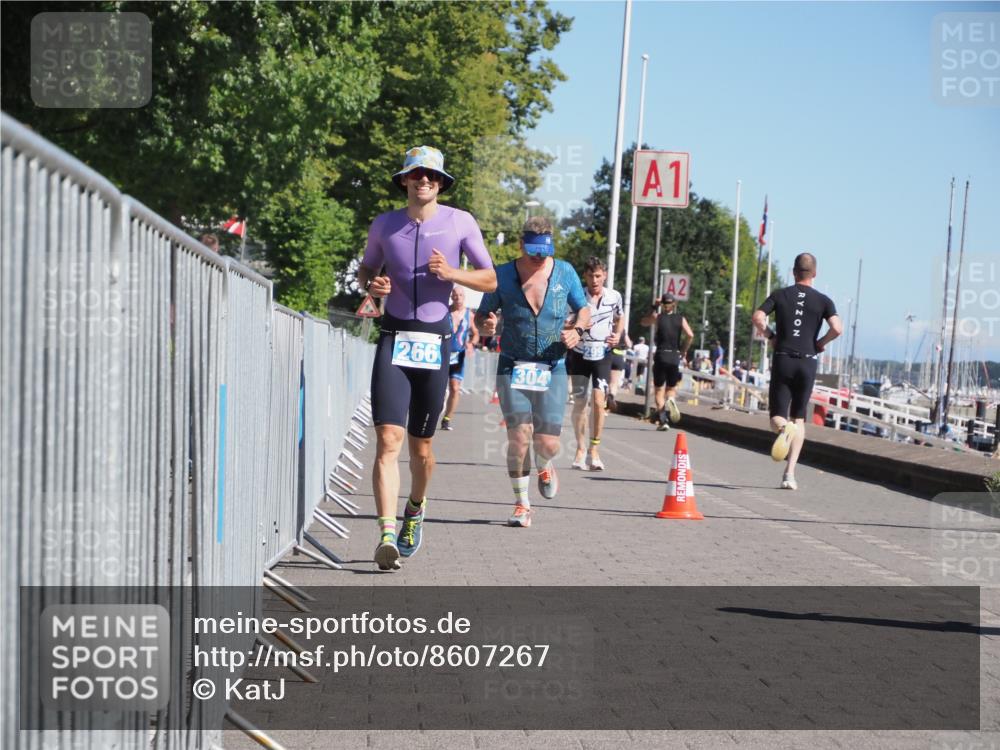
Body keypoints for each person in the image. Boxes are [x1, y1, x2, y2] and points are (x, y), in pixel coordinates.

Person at [358, 146, 497, 570]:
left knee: (422, 449)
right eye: (417, 175)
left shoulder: (460, 222)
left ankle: (415, 510)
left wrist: (453, 274)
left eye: (433, 177)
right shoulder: (385, 224)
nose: (425, 181)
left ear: (441, 183)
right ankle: (385, 532)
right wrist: (374, 287)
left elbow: (489, 276)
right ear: (404, 180)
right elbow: (366, 270)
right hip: (394, 336)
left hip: (435, 342)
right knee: (387, 440)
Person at [475, 217, 589, 528]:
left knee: (547, 444)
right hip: (513, 365)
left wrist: (578, 330)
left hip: (553, 366)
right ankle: (522, 505)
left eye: (544, 251)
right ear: (521, 245)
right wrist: (485, 324)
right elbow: (482, 315)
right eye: (533, 251)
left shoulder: (565, 272)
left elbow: (584, 308)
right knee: (519, 438)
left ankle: (544, 464)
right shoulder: (503, 274)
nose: (539, 257)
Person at [752, 252, 842, 490]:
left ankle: (784, 430)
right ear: (815, 273)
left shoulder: (780, 295)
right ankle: (789, 475)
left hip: (784, 359)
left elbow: (758, 317)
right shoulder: (823, 300)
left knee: (776, 418)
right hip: (808, 361)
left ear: (793, 272)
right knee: (799, 418)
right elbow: (837, 328)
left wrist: (771, 336)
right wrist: (821, 343)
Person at [566, 256, 623, 471]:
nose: (594, 280)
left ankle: (594, 449)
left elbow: (620, 317)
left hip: (602, 353)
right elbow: (566, 321)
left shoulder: (614, 296)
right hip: (580, 353)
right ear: (585, 276)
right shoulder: (577, 296)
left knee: (599, 401)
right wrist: (574, 325)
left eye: (598, 276)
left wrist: (617, 335)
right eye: (590, 276)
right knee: (580, 403)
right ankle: (580, 448)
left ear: (604, 276)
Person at [641, 293, 693, 431]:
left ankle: (663, 420)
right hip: (674, 357)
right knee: (671, 389)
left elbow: (644, 321)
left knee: (658, 390)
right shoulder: (681, 319)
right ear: (674, 304)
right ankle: (671, 399)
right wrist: (683, 350)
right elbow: (690, 335)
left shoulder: (657, 317)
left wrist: (654, 306)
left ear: (663, 305)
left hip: (661, 356)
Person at [440, 285, 479, 431]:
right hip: (442, 355)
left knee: (455, 388)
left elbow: (475, 333)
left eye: (461, 295)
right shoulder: (444, 312)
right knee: (437, 387)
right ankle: (435, 408)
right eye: (455, 295)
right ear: (451, 297)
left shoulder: (470, 315)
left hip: (458, 356)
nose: (458, 298)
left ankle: (447, 419)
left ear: (465, 297)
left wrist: (471, 344)